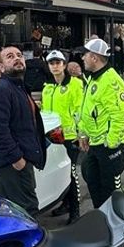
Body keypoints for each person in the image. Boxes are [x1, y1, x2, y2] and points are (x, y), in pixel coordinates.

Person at [0, 46, 47, 214]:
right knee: (27, 210)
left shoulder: (19, 88)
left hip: (21, 159)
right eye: (10, 56)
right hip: (13, 162)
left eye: (19, 55)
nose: (17, 58)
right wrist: (17, 160)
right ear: (1, 68)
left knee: (14, 212)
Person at [78, 37, 124, 209]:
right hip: (95, 143)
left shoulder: (111, 81)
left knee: (111, 193)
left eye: (85, 55)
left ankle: (116, 228)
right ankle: (102, 221)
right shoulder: (93, 78)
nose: (82, 58)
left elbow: (121, 115)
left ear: (94, 57)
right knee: (93, 182)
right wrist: (84, 133)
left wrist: (112, 144)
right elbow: (88, 111)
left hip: (108, 146)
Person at [42, 49, 84, 223]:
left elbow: (80, 111)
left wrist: (81, 134)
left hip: (70, 136)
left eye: (58, 62)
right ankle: (65, 203)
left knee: (71, 175)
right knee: (58, 173)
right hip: (53, 137)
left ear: (64, 65)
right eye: (52, 63)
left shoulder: (75, 84)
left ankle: (75, 210)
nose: (55, 66)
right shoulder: (48, 87)